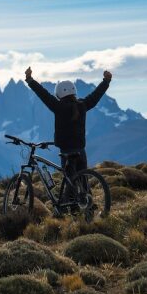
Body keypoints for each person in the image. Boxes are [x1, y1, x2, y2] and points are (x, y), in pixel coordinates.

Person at [24, 66, 112, 203]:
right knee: (83, 181)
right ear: (74, 92)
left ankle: (68, 208)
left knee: (70, 180)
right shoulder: (82, 105)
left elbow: (43, 94)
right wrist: (106, 82)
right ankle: (88, 209)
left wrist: (30, 80)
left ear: (59, 94)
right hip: (81, 151)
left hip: (67, 152)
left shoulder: (58, 106)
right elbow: (95, 96)